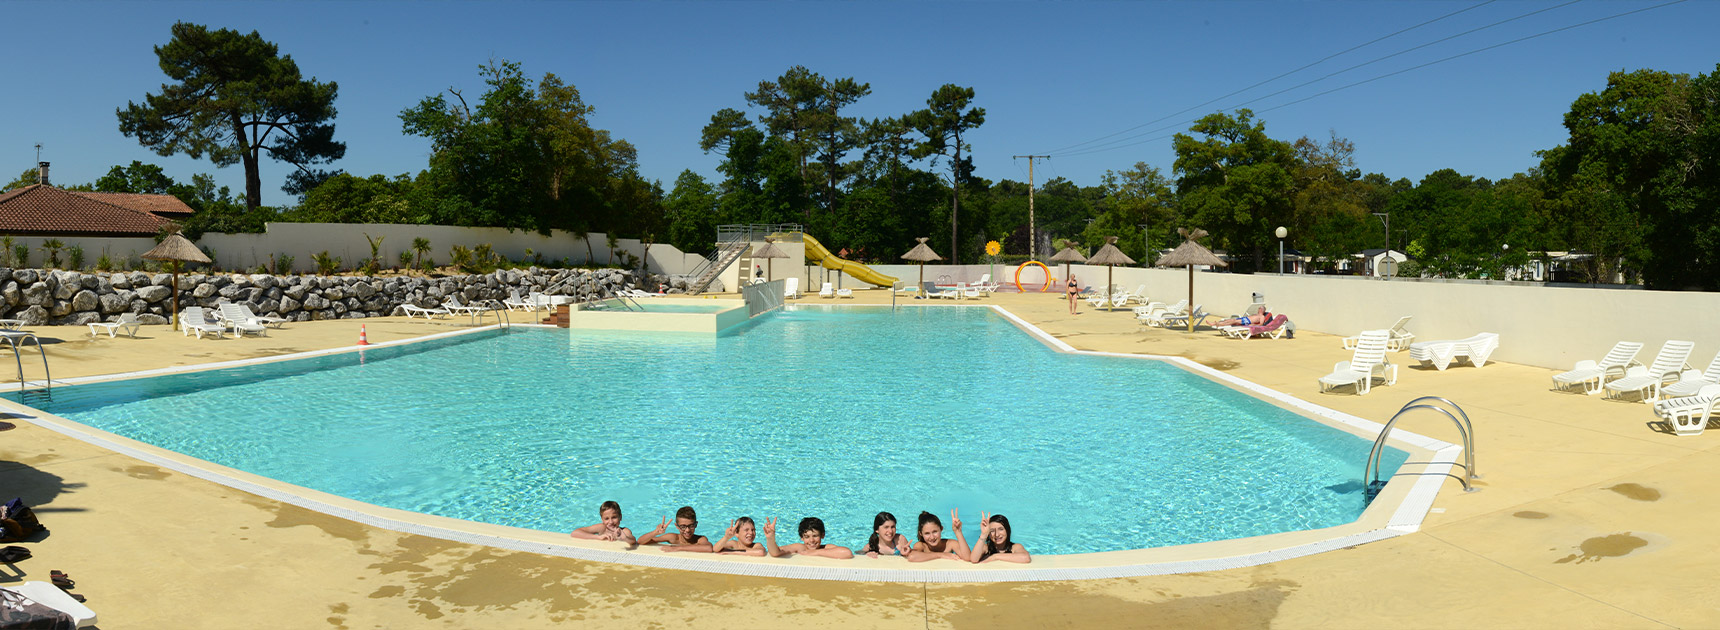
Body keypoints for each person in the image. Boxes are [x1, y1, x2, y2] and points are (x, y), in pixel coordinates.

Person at [764, 517, 853, 559]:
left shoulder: (826, 548)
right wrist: (770, 538)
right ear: (801, 538)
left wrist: (815, 552)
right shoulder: (799, 548)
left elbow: (847, 553)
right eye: (807, 537)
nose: (811, 540)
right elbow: (775, 553)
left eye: (815, 536)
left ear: (822, 535)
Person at [638, 506, 713, 552]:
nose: (687, 530)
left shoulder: (699, 539)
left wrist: (678, 548)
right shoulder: (673, 538)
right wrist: (655, 532)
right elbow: (640, 541)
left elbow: (709, 548)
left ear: (696, 524)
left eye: (691, 526)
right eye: (683, 527)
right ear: (677, 526)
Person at [569, 500, 636, 544]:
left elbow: (633, 541)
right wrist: (598, 537)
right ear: (602, 520)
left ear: (620, 517)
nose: (611, 522)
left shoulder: (624, 531)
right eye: (606, 519)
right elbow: (575, 533)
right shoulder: (602, 528)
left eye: (614, 517)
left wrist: (624, 538)